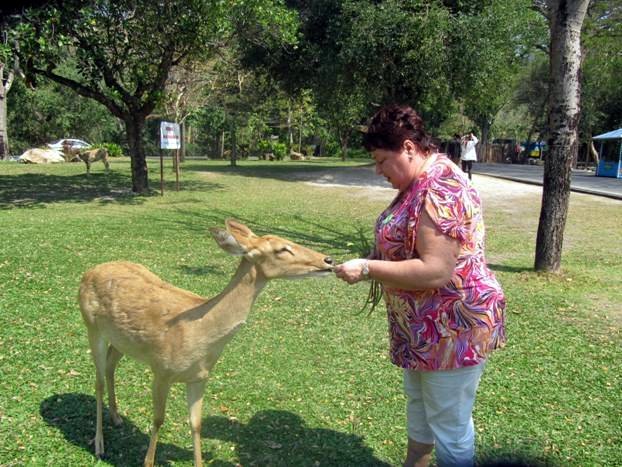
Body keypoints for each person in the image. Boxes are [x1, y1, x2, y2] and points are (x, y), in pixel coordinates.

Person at [334, 104, 506, 467]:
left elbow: (435, 270)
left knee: (450, 425)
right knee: (420, 408)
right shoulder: (418, 181)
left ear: (409, 148)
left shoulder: (441, 187)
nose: (378, 171)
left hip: (452, 327)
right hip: (422, 329)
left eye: (382, 161)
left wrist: (367, 268)